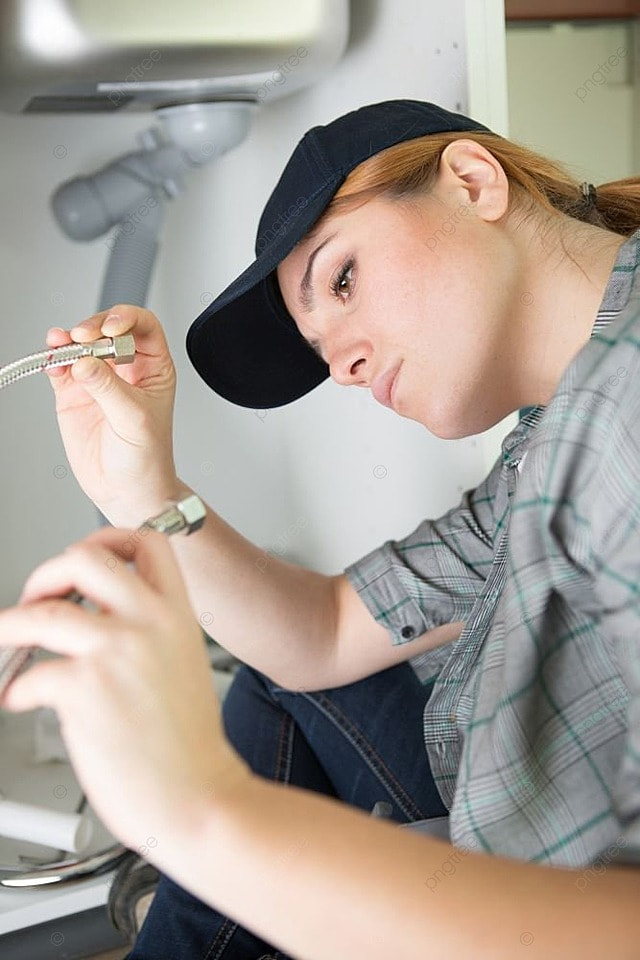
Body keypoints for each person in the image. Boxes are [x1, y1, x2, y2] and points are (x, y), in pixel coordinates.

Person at [1, 98, 640, 959]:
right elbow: (326, 634)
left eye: (341, 280)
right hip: (502, 841)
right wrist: (144, 487)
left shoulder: (622, 410)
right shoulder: (554, 432)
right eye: (321, 346)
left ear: (472, 180)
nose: (341, 366)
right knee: (284, 682)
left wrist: (208, 812)